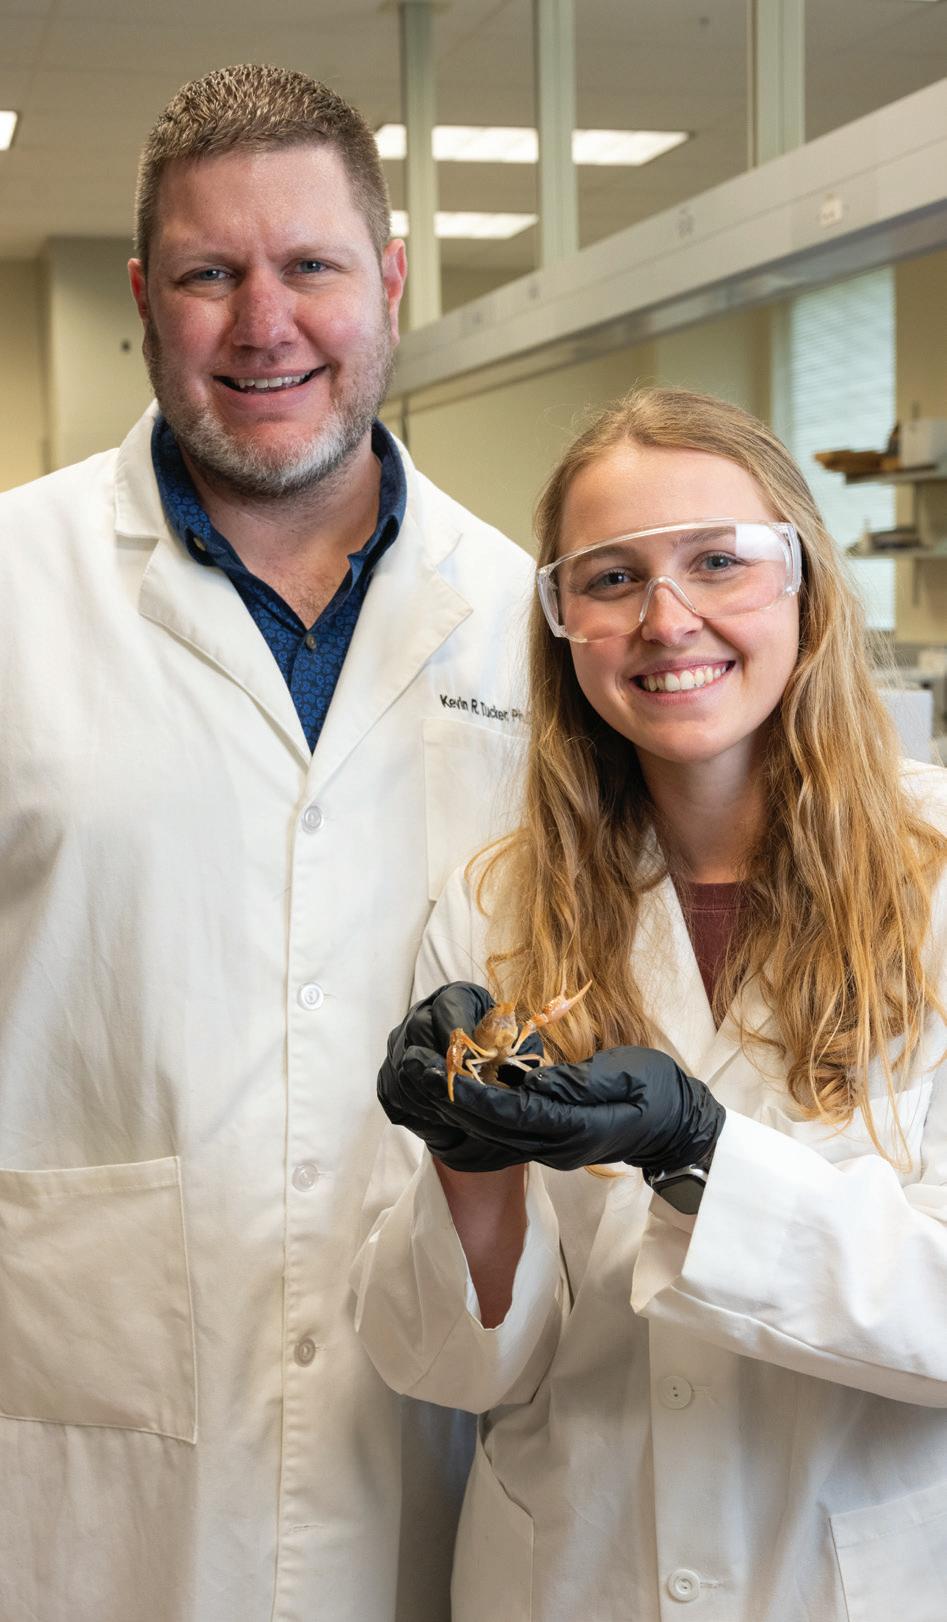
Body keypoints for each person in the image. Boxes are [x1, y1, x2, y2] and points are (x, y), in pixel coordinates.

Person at [0, 63, 534, 1622]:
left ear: (389, 282)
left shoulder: (522, 616)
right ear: (142, 300)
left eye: (308, 264)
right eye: (207, 274)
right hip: (84, 1457)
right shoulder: (16, 584)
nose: (264, 322)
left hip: (426, 1426)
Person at [353, 386, 947, 1621]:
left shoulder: (934, 867)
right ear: (560, 623)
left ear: (802, 581)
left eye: (717, 561)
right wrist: (465, 1166)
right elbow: (451, 1365)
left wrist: (701, 1152)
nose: (665, 619)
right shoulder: (499, 902)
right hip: (575, 1570)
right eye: (611, 577)